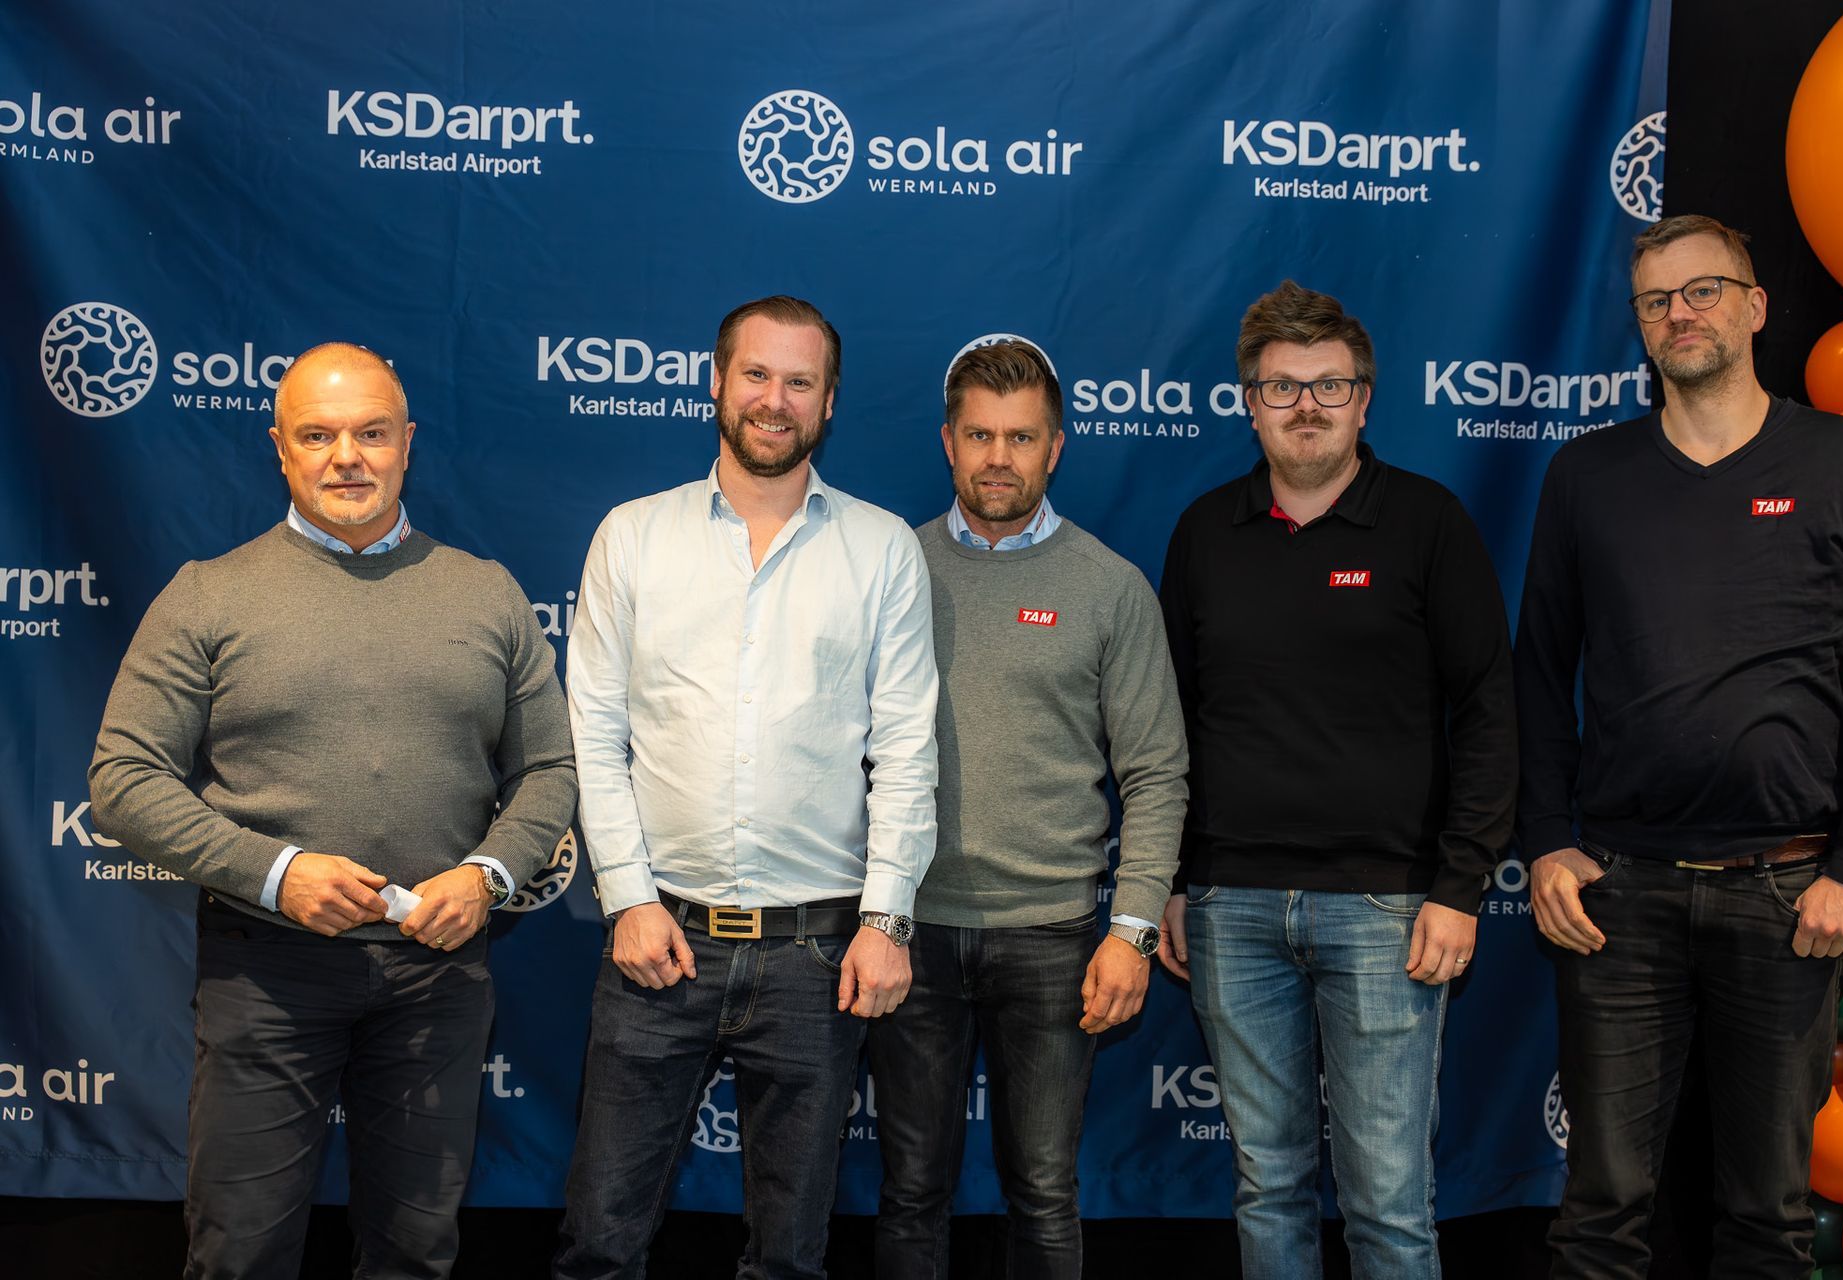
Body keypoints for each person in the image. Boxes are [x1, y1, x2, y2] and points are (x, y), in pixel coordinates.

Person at [88, 342, 578, 1279]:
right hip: (268, 974)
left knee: (415, 1252)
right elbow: (124, 776)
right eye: (318, 436)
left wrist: (487, 876)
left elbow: (549, 769)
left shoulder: (486, 591)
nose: (346, 457)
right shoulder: (208, 594)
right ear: (281, 449)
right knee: (241, 1251)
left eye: (371, 433)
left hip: (438, 975)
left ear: (407, 445)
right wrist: (275, 874)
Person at [1517, 213, 1843, 1277]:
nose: (1680, 313)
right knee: (1599, 1214)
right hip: (1618, 898)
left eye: (1704, 290)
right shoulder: (1586, 475)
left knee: (1767, 1216)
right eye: (1657, 299)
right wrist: (1547, 840)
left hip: (1790, 897)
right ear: (1640, 325)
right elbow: (1537, 673)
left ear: (1755, 306)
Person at [553, 295, 939, 1280]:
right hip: (658, 941)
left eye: (800, 381)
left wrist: (887, 919)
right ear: (716, 382)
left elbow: (905, 746)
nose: (776, 400)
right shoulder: (633, 536)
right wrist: (627, 899)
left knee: (790, 1260)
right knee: (599, 1245)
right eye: (757, 375)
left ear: (829, 401)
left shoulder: (881, 548)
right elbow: (593, 734)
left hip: (818, 953)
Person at [1158, 281, 1517, 1278]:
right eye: (1282, 386)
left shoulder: (1428, 523)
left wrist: (1460, 886)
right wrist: (1175, 880)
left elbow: (1489, 709)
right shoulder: (1204, 533)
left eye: (1329, 385)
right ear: (1249, 402)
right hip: (1230, 908)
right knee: (1267, 1187)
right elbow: (1168, 727)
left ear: (1365, 400)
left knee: (1388, 1202)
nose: (1306, 405)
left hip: (1387, 910)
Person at [866, 340, 1188, 1277]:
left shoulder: (1109, 586)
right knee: (910, 1191)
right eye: (980, 436)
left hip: (1053, 939)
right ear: (948, 443)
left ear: (1056, 447)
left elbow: (1157, 774)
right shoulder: (890, 570)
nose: (998, 458)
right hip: (909, 930)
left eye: (1020, 437)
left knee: (1044, 1194)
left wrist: (1131, 931)